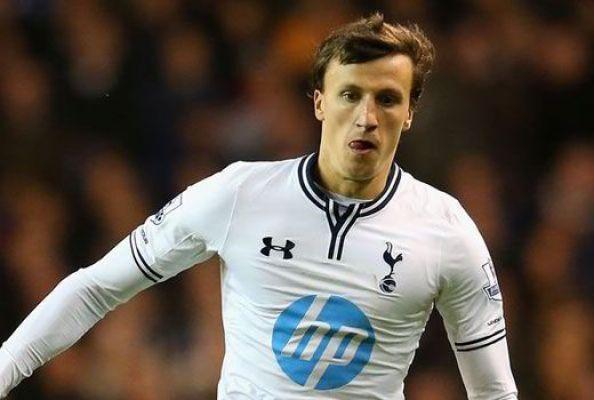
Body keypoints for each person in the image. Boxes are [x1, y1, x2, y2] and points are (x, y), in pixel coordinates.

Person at [0, 13, 517, 399]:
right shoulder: (240, 195)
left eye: (386, 98)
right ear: (319, 101)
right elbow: (94, 288)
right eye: (349, 95)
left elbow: (493, 392)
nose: (366, 117)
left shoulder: (446, 230)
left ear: (409, 113)